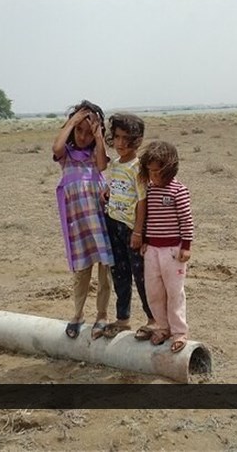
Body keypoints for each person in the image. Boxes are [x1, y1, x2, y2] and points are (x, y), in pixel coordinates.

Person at [52, 100, 114, 340]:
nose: (83, 137)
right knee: (82, 271)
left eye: (89, 133)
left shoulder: (95, 155)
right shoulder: (66, 155)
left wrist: (98, 137)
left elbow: (101, 164)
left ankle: (102, 315)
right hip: (78, 224)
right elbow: (57, 146)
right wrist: (72, 122)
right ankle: (77, 315)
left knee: (105, 270)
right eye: (79, 130)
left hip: (100, 220)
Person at [101, 113, 156, 339]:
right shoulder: (114, 164)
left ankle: (153, 319)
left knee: (140, 275)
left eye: (126, 138)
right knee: (120, 274)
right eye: (116, 137)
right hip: (112, 224)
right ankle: (123, 319)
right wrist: (108, 192)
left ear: (138, 140)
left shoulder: (138, 168)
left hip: (130, 229)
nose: (120, 143)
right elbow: (115, 186)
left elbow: (142, 201)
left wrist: (138, 231)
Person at [138, 141, 194, 353]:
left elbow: (186, 220)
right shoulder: (149, 190)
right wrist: (143, 240)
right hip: (151, 250)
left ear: (169, 169)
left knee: (174, 292)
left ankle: (179, 332)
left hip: (173, 251)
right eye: (150, 171)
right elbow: (145, 217)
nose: (153, 176)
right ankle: (162, 327)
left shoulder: (178, 191)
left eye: (157, 171)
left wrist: (186, 245)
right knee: (154, 291)